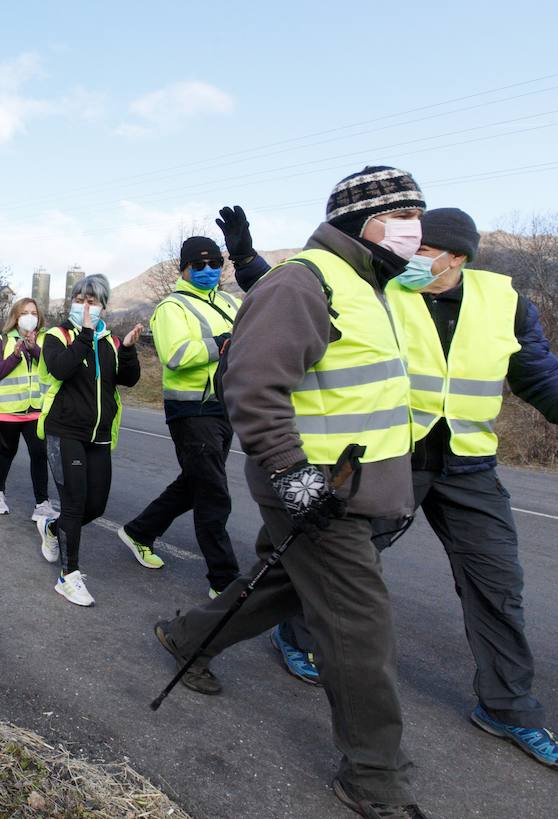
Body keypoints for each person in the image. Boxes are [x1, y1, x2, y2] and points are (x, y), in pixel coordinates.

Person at [152, 166, 432, 818]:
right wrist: (298, 482)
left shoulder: (374, 286)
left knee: (283, 583)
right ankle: (374, 777)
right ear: (358, 223)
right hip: (312, 489)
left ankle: (187, 636)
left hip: (355, 490)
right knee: (362, 629)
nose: (413, 228)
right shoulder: (304, 282)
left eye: (418, 213)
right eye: (400, 214)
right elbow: (251, 389)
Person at [264, 207, 558, 770]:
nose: (412, 257)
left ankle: (508, 706)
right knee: (342, 565)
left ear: (457, 257)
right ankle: (294, 633)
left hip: (470, 465)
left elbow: (538, 374)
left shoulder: (507, 303)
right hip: (392, 459)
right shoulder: (383, 290)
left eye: (425, 250)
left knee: (498, 584)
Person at [117, 222, 265, 591]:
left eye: (214, 263)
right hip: (191, 412)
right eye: (197, 266)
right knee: (214, 493)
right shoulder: (171, 307)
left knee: (196, 482)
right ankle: (224, 580)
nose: (207, 271)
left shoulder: (230, 302)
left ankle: (139, 531)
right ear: (183, 269)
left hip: (225, 406)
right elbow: (177, 355)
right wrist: (223, 342)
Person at [35, 275, 142, 606]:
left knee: (96, 506)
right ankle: (68, 577)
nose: (85, 305)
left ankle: (54, 530)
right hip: (64, 432)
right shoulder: (57, 336)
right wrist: (84, 334)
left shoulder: (108, 341)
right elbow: (60, 369)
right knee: (74, 502)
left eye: (92, 301)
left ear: (104, 306)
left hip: (99, 436)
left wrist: (126, 350)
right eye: (80, 299)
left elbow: (128, 379)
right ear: (71, 303)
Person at [0, 297, 53, 523]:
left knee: (39, 454)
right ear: (16, 316)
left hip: (35, 409)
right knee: (7, 451)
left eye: (33, 312)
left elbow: (53, 368)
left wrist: (34, 349)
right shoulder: (2, 339)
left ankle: (42, 504)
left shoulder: (46, 339)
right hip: (8, 410)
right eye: (24, 312)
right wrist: (15, 355)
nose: (29, 317)